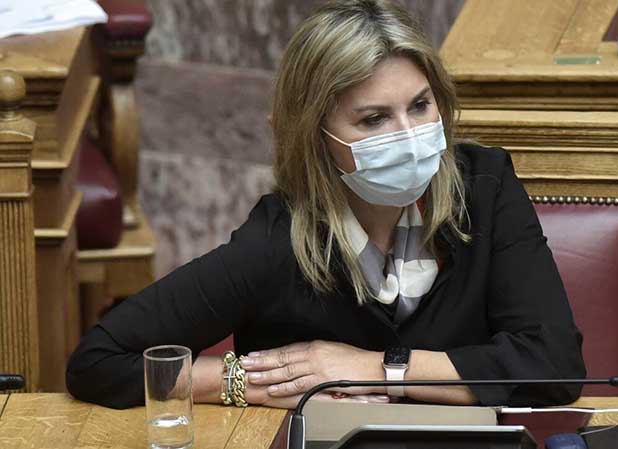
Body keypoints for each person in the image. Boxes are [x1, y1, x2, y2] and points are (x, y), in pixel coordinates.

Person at [66, 0, 585, 410]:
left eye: (420, 105)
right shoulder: (277, 239)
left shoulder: (485, 187)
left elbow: (554, 365)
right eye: (374, 119)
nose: (410, 137)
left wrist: (374, 369)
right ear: (315, 137)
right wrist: (246, 381)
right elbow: (99, 362)